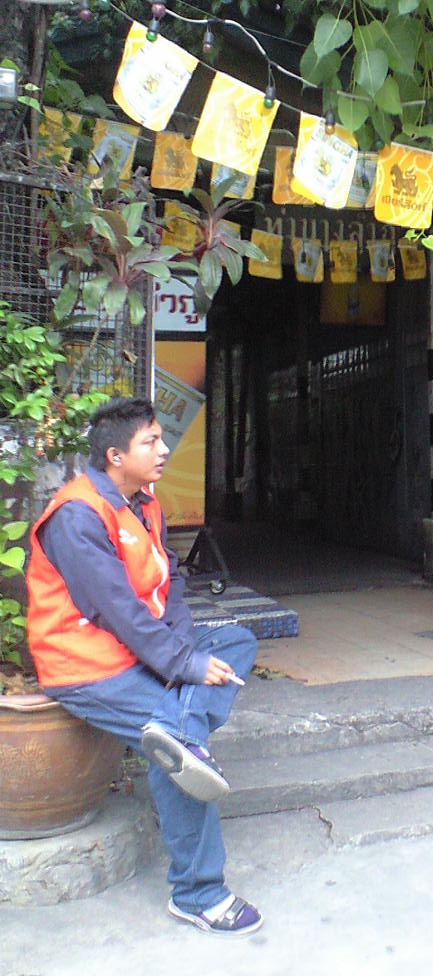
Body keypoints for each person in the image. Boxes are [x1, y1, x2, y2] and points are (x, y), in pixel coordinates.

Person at [26, 397, 262, 936]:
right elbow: (117, 611)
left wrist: (184, 653)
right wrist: (182, 664)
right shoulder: (77, 515)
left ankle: (182, 729)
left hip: (143, 651)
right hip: (87, 666)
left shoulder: (142, 502)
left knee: (235, 642)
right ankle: (199, 895)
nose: (164, 449)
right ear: (116, 455)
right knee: (173, 749)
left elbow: (168, 580)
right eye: (151, 441)